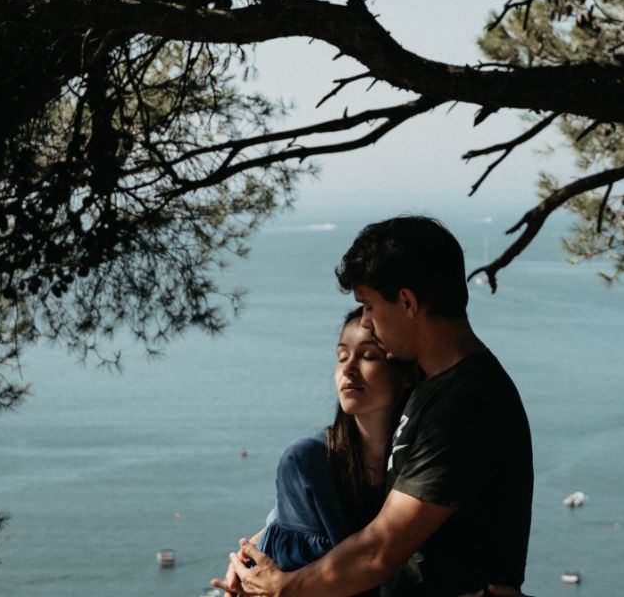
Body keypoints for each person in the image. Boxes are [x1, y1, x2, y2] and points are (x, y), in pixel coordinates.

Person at [220, 216, 534, 597]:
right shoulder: (431, 387)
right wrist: (262, 545)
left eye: (368, 305)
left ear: (407, 302)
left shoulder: (465, 404)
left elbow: (381, 551)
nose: (366, 321)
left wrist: (285, 587)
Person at [213, 308, 418, 594]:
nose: (348, 368)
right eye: (342, 355)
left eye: (368, 355)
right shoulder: (308, 461)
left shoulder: (424, 458)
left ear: (406, 374)